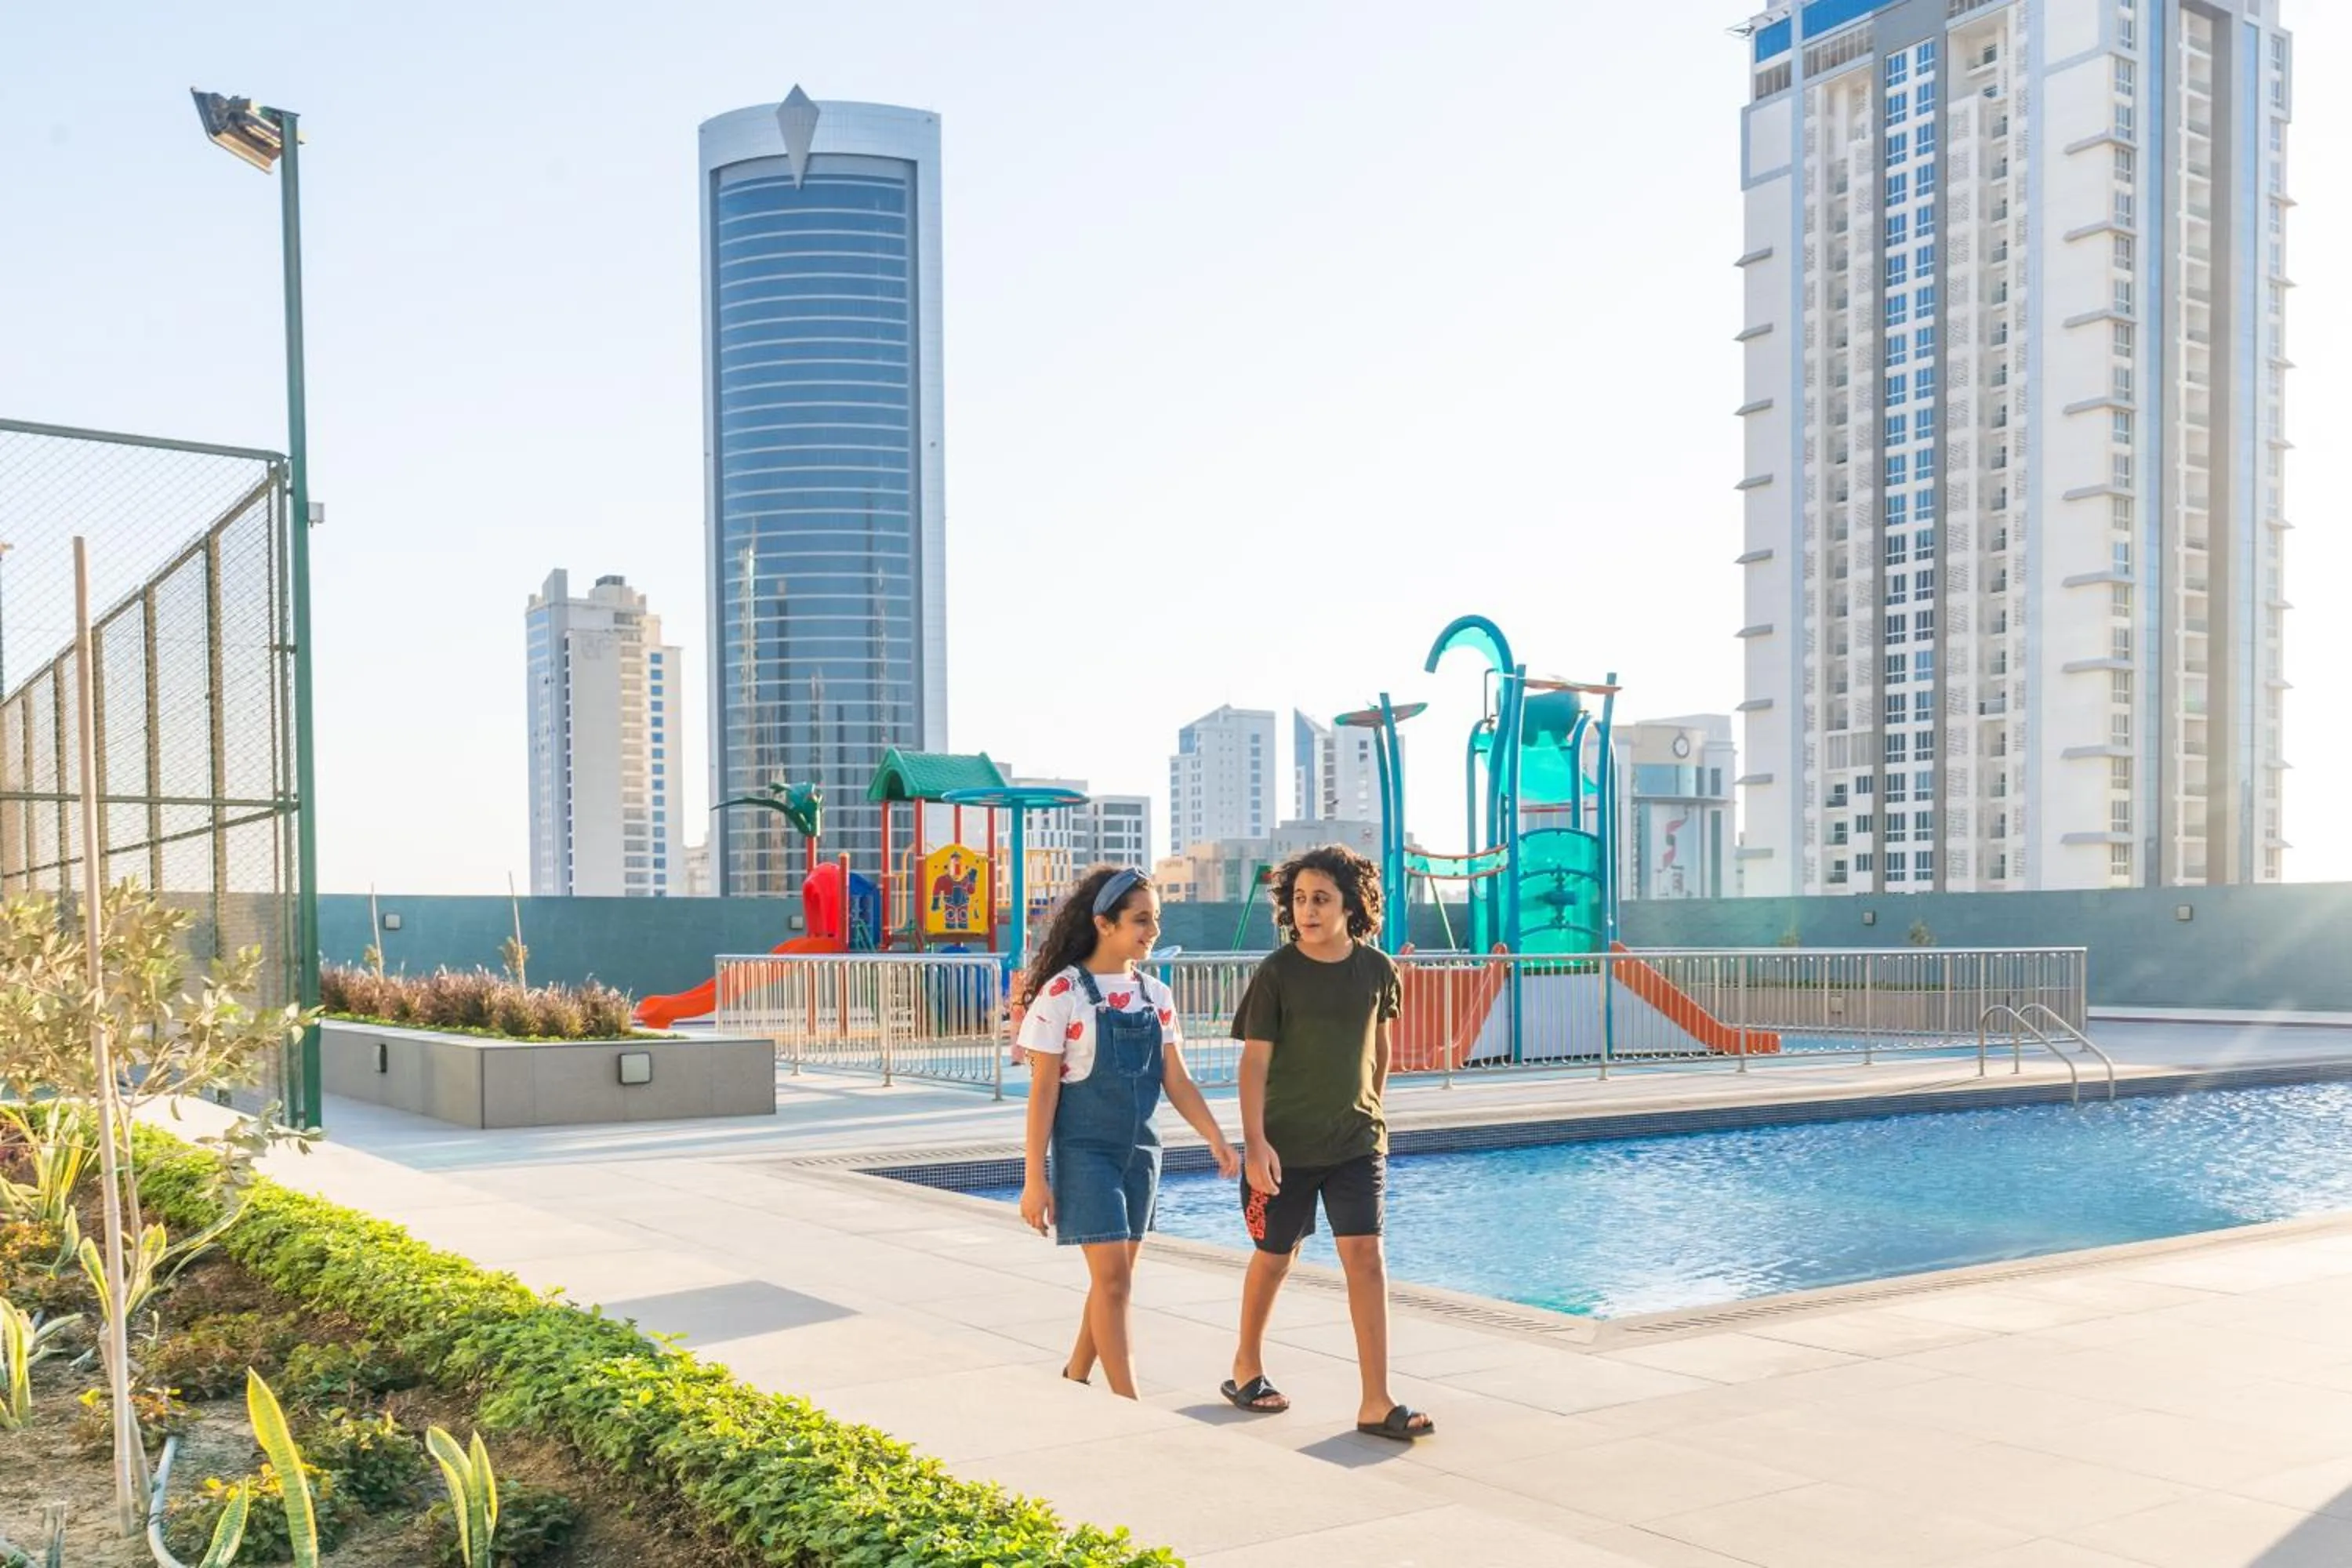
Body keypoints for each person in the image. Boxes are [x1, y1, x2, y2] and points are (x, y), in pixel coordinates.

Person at [1222, 844, 1433, 1441]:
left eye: (1321, 899)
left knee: (1365, 1258)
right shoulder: (1276, 974)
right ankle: (1246, 1368)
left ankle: (1375, 1400)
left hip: (1356, 1140)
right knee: (1275, 1258)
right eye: (1299, 899)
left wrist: (1373, 1110)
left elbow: (1380, 1047)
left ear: (1352, 906)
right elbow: (1253, 1066)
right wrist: (1255, 1144)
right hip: (1283, 1147)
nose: (1307, 911)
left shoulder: (1377, 969)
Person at [1016, 865, 1239, 1399]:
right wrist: (1034, 1179)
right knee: (1114, 1282)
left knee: (1112, 1284)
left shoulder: (1155, 995)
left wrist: (1215, 1136)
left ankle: (1075, 1374)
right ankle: (1128, 1403)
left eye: (1155, 919)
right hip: (1085, 1152)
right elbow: (1044, 1092)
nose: (1153, 931)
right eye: (1141, 920)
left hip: (1141, 1153)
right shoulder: (1061, 994)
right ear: (1104, 923)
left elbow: (1176, 1079)